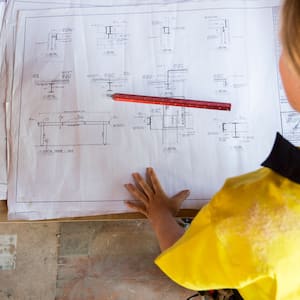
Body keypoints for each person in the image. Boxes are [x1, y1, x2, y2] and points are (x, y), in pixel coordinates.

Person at [124, 1, 300, 299]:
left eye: (284, 48)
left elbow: (188, 269)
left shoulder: (251, 212)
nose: (280, 57)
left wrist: (161, 215)